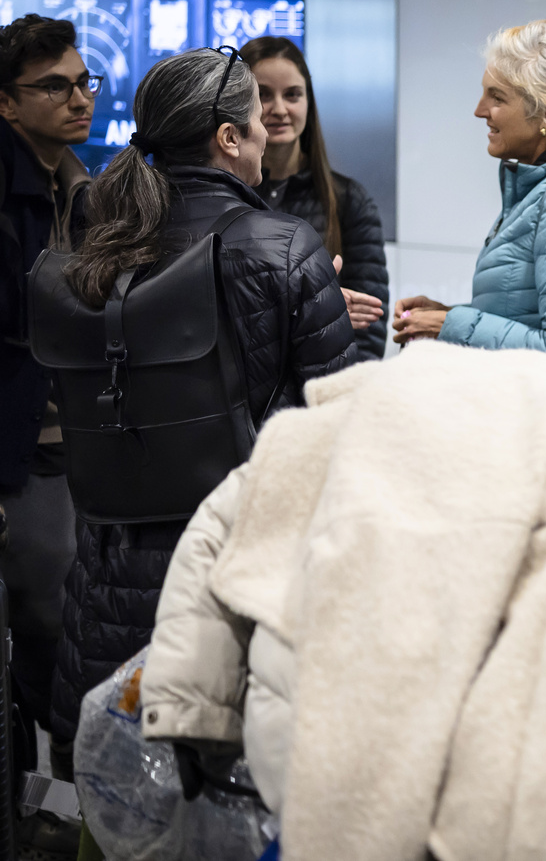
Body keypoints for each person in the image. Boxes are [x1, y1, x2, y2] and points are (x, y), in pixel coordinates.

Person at [46, 47, 356, 755]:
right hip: (232, 582)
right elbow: (338, 433)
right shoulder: (283, 247)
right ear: (227, 137)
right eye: (254, 119)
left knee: (120, 791)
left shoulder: (96, 240)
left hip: (105, 573)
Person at [391, 19, 546, 355]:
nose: (479, 111)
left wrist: (450, 326)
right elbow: (524, 319)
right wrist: (446, 316)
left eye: (497, 97)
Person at [0, 13, 95, 786]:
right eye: (54, 86)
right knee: (41, 614)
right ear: (7, 103)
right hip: (19, 445)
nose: (77, 99)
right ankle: (50, 780)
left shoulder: (85, 190)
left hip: (79, 441)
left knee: (71, 615)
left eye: (82, 82)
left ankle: (58, 785)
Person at [240, 36, 389, 361]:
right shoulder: (224, 200)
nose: (279, 109)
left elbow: (369, 333)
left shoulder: (350, 201)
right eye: (262, 95)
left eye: (292, 94)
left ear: (309, 101)